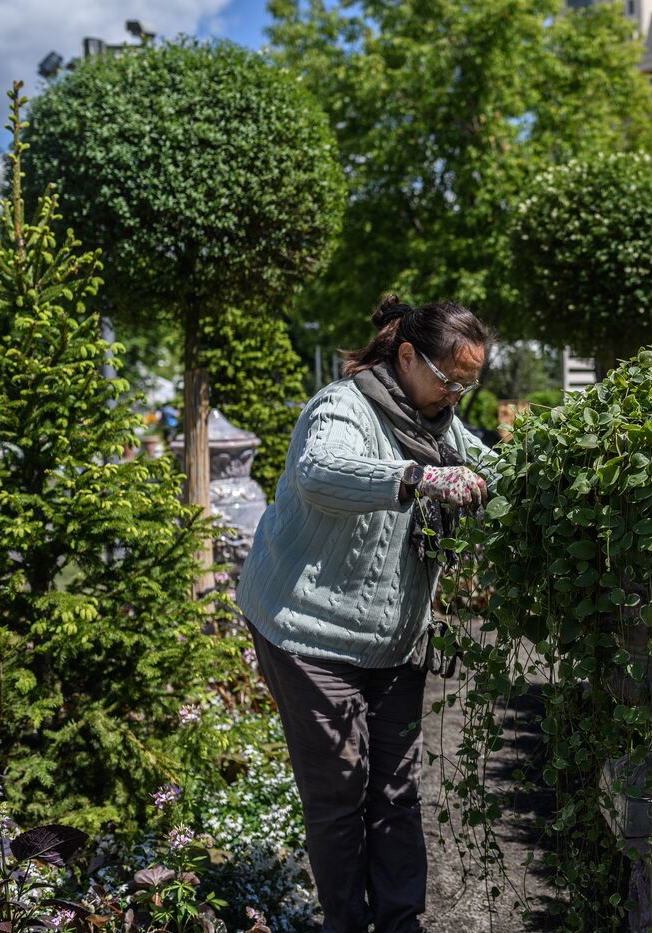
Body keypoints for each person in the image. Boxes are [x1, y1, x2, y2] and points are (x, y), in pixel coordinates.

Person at [236, 295, 496, 933]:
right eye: (449, 381)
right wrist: (418, 480)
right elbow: (320, 473)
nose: (457, 397)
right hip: (308, 633)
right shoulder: (341, 406)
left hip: (393, 643)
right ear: (407, 356)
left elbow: (490, 467)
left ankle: (401, 924)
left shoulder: (439, 424)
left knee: (396, 796)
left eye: (469, 385)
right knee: (340, 796)